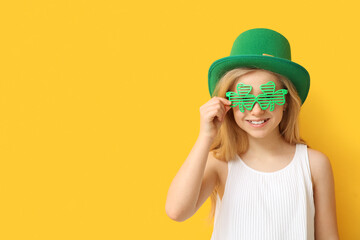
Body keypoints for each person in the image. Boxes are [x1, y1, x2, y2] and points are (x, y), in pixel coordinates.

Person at [165, 28, 339, 239]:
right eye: (245, 98)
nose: (256, 110)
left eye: (268, 96)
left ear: (285, 102)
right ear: (228, 103)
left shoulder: (314, 164)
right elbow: (176, 211)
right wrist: (205, 136)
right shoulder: (220, 162)